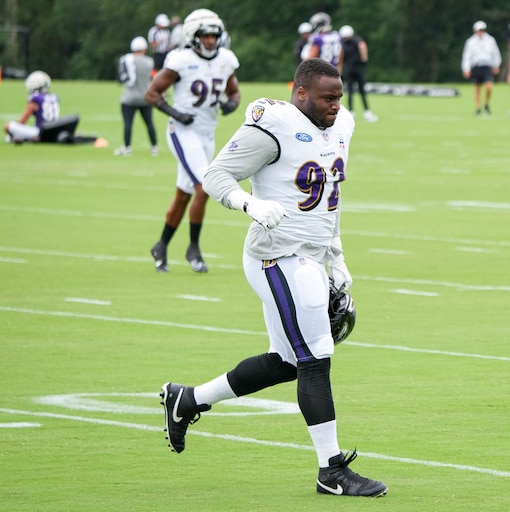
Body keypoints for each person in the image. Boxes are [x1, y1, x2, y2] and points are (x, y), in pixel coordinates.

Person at [160, 58, 388, 498]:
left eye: (339, 97)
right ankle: (331, 470)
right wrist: (250, 205)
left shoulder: (341, 127)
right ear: (300, 93)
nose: (336, 105)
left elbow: (327, 201)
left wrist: (336, 254)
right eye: (327, 97)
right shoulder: (274, 125)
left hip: (310, 255)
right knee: (316, 356)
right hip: (276, 255)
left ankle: (187, 399)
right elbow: (214, 175)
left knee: (286, 362)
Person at [145, 8, 240, 273]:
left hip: (207, 134)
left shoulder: (226, 59)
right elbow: (152, 94)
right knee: (204, 186)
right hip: (182, 131)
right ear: (193, 36)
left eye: (214, 36)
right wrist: (175, 113)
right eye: (205, 36)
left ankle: (161, 245)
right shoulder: (180, 59)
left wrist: (232, 104)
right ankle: (193, 248)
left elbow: (234, 92)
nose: (210, 41)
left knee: (184, 194)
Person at [114, 36, 158, 156]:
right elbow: (152, 77)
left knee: (128, 123)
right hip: (146, 97)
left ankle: (127, 148)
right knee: (149, 123)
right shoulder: (149, 62)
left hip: (129, 98)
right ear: (144, 48)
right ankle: (154, 147)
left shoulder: (127, 60)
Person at [4, 70, 60, 143]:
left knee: (8, 126)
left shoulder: (35, 98)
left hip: (40, 132)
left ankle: (26, 138)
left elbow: (22, 121)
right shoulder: (54, 97)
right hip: (55, 130)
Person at [461, 20, 502, 115]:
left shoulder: (490, 40)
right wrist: (466, 68)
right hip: (476, 66)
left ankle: (486, 103)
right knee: (477, 88)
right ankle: (478, 107)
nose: (481, 32)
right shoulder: (470, 42)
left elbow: (495, 53)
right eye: (479, 30)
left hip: (487, 66)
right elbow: (467, 56)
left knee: (489, 87)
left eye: (482, 30)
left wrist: (496, 65)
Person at [339, 25, 377, 122]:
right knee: (362, 92)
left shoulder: (343, 43)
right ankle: (367, 112)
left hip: (349, 69)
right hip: (359, 69)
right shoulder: (357, 40)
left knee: (350, 92)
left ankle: (351, 112)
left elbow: (341, 57)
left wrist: (340, 70)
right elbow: (362, 46)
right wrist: (364, 59)